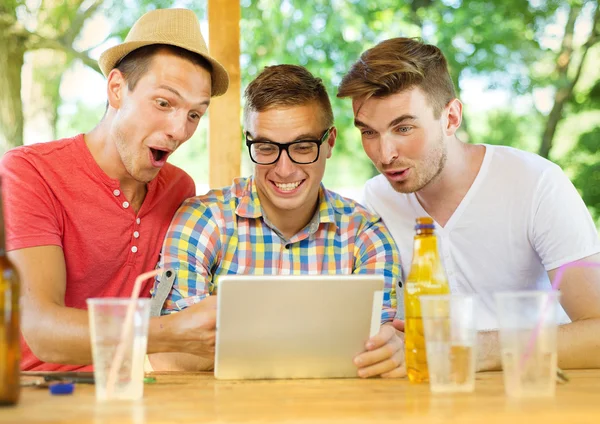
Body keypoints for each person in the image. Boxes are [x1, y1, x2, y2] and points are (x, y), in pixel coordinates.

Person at [337, 37, 600, 370]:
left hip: (534, 393)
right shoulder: (377, 199)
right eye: (369, 132)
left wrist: (473, 349)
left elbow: (597, 332)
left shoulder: (537, 183)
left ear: (451, 118)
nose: (384, 153)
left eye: (403, 128)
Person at [0, 8, 230, 371]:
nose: (179, 131)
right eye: (164, 103)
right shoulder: (30, 172)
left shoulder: (179, 188)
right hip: (40, 395)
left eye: (194, 114)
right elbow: (43, 331)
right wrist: (170, 332)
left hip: (131, 392)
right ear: (117, 89)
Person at [149, 64, 406, 378]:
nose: (284, 169)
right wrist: (322, 345)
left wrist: (234, 340)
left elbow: (376, 356)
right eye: (267, 148)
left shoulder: (366, 235)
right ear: (249, 142)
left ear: (329, 142)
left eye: (302, 147)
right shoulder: (204, 220)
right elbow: (168, 356)